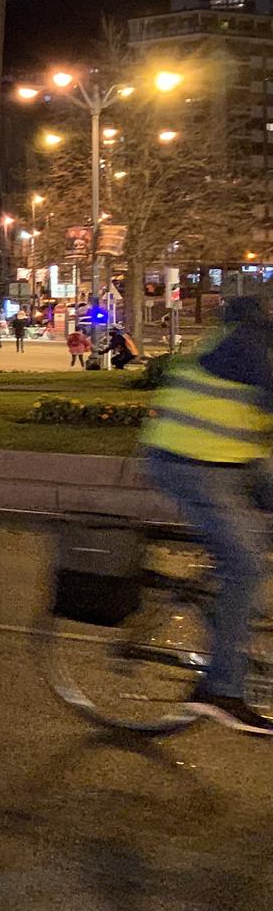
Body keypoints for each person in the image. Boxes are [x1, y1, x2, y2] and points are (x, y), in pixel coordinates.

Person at [138, 296, 273, 734]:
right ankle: (222, 690)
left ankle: (229, 611)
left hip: (230, 459)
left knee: (246, 557)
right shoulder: (245, 343)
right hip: (187, 463)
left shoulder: (250, 336)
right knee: (245, 566)